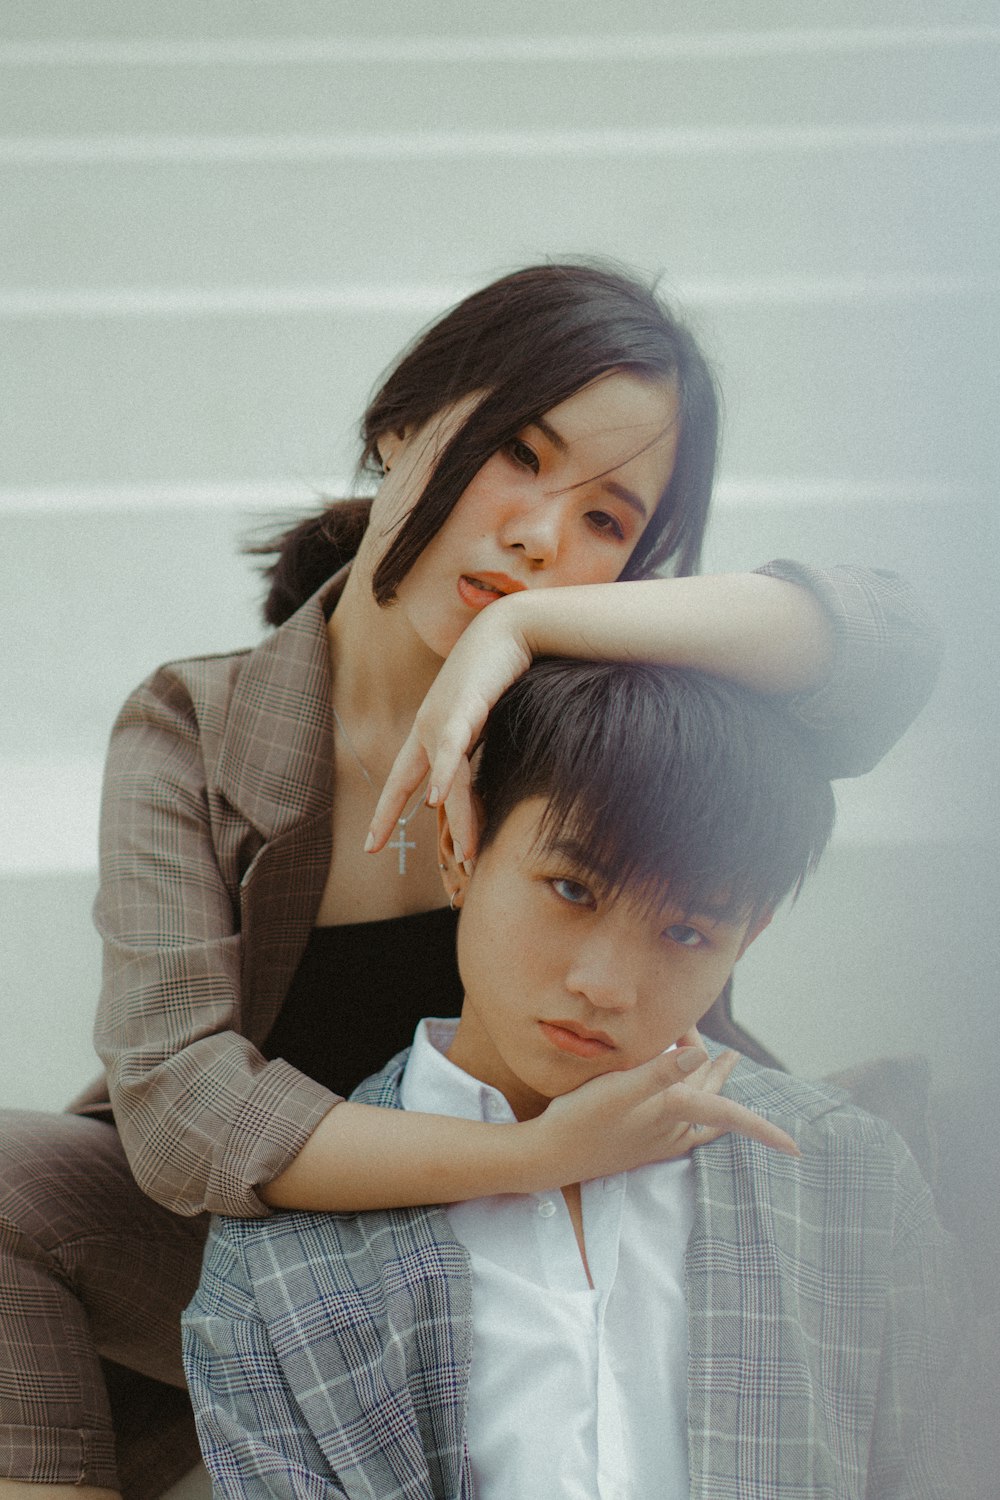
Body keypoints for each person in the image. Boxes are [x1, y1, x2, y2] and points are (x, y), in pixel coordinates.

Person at [0, 262, 942, 1500]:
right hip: (287, 1247)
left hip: (616, 1194)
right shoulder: (199, 724)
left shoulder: (598, 712)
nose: (540, 534)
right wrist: (534, 1157)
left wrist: (523, 633)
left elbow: (892, 648)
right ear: (402, 426)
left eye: (607, 520)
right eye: (516, 452)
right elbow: (181, 1114)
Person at [182, 658, 962, 1499]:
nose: (606, 984)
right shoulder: (277, 1266)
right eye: (572, 888)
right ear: (458, 845)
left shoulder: (850, 1178)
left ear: (751, 935)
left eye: (688, 932)